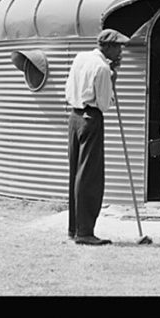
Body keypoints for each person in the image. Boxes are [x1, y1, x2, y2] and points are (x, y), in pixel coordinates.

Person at [64, 28, 130, 245]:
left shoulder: (81, 57)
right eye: (118, 47)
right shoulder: (102, 69)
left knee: (76, 172)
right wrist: (114, 80)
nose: (121, 52)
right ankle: (85, 232)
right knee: (90, 175)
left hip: (74, 117)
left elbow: (68, 89)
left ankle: (75, 228)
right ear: (108, 47)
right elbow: (103, 103)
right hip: (91, 117)